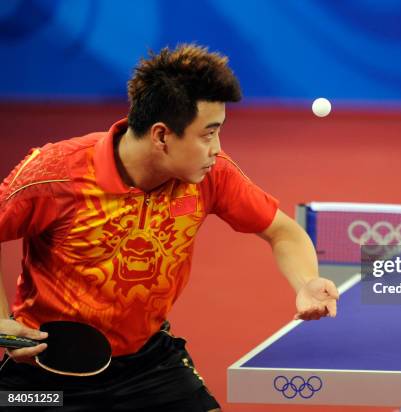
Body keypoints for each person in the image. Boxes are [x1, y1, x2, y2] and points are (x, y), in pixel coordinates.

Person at [0, 44, 339, 411]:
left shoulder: (212, 175)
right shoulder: (55, 175)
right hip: (46, 371)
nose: (217, 148)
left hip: (151, 365)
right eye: (207, 134)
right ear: (162, 136)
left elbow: (283, 232)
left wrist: (306, 281)